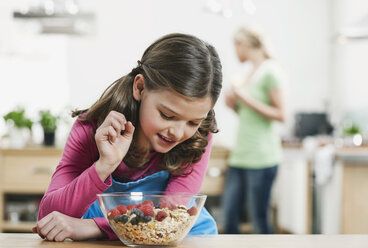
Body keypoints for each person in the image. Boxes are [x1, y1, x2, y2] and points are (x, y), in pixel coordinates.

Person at [32, 33, 223, 241]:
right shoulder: (90, 129)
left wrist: (96, 226)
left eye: (192, 122)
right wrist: (104, 165)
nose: (178, 133)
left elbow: (168, 217)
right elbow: (49, 216)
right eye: (167, 115)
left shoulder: (198, 136)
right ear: (140, 87)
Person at [222, 26, 286, 234]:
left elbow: (282, 114)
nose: (235, 52)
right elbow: (248, 114)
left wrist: (245, 98)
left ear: (245, 45)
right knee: (230, 218)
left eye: (236, 46)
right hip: (241, 155)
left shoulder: (271, 70)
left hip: (262, 157)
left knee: (258, 219)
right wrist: (233, 102)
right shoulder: (249, 73)